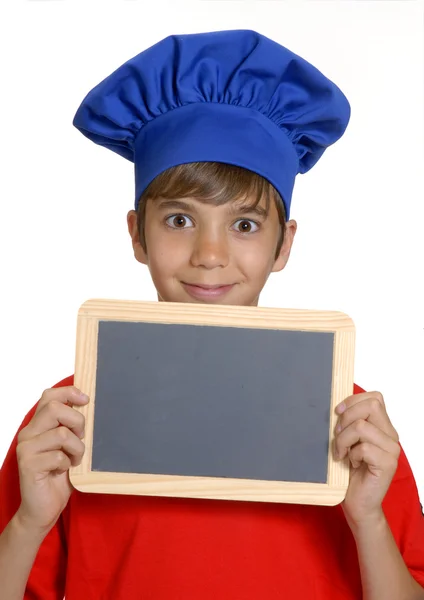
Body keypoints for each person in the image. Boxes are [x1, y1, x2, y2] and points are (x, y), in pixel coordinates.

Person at [0, 29, 423, 600]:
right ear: (137, 234)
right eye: (179, 219)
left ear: (284, 245)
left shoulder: (350, 425)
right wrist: (30, 521)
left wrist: (368, 519)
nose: (210, 255)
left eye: (244, 225)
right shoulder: (69, 419)